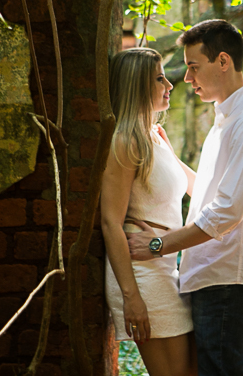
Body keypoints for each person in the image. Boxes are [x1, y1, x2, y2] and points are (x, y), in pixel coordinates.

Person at [127, 19, 243, 376]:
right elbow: (211, 192)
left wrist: (157, 245)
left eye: (193, 66)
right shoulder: (229, 120)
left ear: (223, 61)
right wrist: (169, 159)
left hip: (229, 279)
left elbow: (226, 211)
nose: (187, 78)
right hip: (218, 278)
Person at [101, 47, 197, 376]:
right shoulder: (126, 142)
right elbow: (110, 222)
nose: (169, 85)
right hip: (142, 275)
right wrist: (131, 298)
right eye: (159, 79)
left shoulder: (155, 135)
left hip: (167, 265)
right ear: (137, 86)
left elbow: (197, 188)